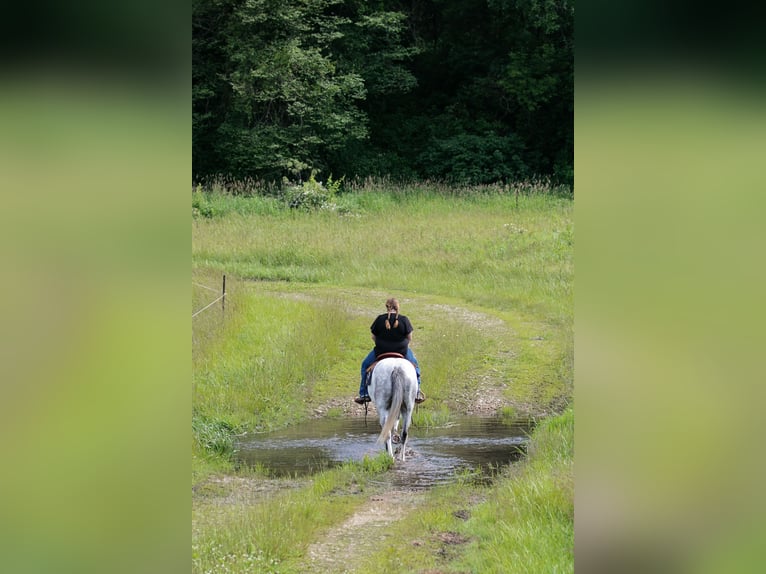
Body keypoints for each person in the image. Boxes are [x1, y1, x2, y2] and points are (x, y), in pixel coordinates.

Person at [355, 297, 425, 404]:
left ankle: (363, 393)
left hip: (381, 351)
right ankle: (417, 392)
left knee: (365, 365)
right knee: (415, 366)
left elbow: (373, 337)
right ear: (398, 307)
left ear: (387, 307)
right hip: (402, 351)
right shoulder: (404, 320)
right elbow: (409, 337)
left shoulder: (379, 319)